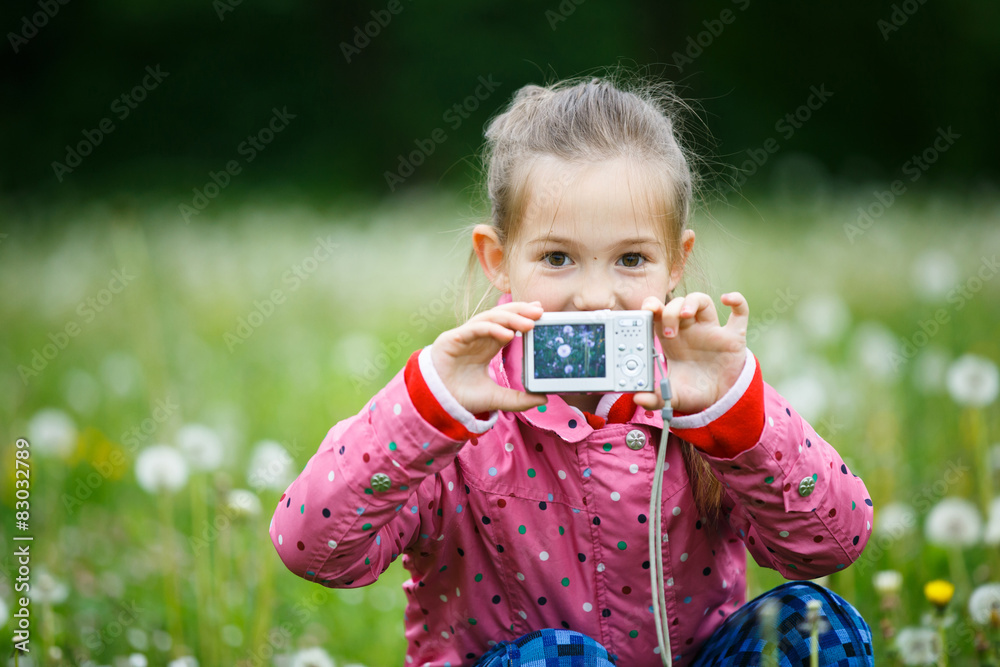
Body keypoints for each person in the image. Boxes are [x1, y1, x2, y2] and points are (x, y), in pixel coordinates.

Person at [270, 74, 875, 666]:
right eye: (557, 258)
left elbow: (833, 542)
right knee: (562, 658)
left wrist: (738, 417)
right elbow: (313, 552)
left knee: (820, 628)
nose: (594, 297)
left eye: (631, 259)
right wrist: (425, 413)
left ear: (675, 264)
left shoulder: (701, 401)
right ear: (498, 260)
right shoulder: (455, 416)